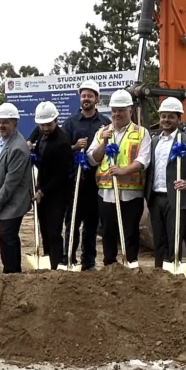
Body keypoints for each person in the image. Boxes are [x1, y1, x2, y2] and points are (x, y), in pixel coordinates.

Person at [86, 89, 148, 267]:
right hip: (106, 193)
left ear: (130, 110)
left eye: (121, 110)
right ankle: (110, 266)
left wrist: (124, 170)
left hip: (131, 193)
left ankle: (131, 264)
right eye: (114, 110)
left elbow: (143, 160)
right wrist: (104, 143)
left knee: (130, 232)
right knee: (108, 232)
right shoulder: (102, 132)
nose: (117, 114)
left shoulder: (141, 133)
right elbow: (92, 159)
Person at [144, 97, 186, 268]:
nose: (166, 120)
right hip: (155, 197)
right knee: (159, 240)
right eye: (163, 116)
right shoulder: (154, 141)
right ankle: (159, 271)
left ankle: (173, 271)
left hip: (177, 198)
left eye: (171, 116)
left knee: (174, 239)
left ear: (179, 118)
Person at [60, 80, 110, 270]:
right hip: (74, 181)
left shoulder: (105, 123)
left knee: (91, 223)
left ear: (96, 99)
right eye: (83, 95)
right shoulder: (70, 123)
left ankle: (88, 262)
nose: (86, 98)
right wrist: (74, 147)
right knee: (72, 221)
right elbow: (61, 148)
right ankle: (68, 259)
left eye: (90, 95)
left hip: (95, 181)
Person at [0, 103, 32, 273]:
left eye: (5, 122)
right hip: (5, 197)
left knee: (7, 235)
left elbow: (11, 182)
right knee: (8, 237)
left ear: (15, 124)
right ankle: (11, 271)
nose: (1, 125)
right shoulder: (2, 141)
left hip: (14, 201)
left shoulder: (18, 148)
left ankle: (12, 272)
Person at [31, 101, 73, 270]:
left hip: (57, 194)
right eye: (42, 125)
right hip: (42, 189)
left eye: (48, 125)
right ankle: (47, 260)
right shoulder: (41, 133)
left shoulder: (62, 143)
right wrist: (30, 142)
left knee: (54, 231)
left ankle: (56, 265)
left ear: (56, 120)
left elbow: (61, 175)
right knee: (44, 229)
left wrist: (42, 191)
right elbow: (35, 133)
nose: (45, 128)